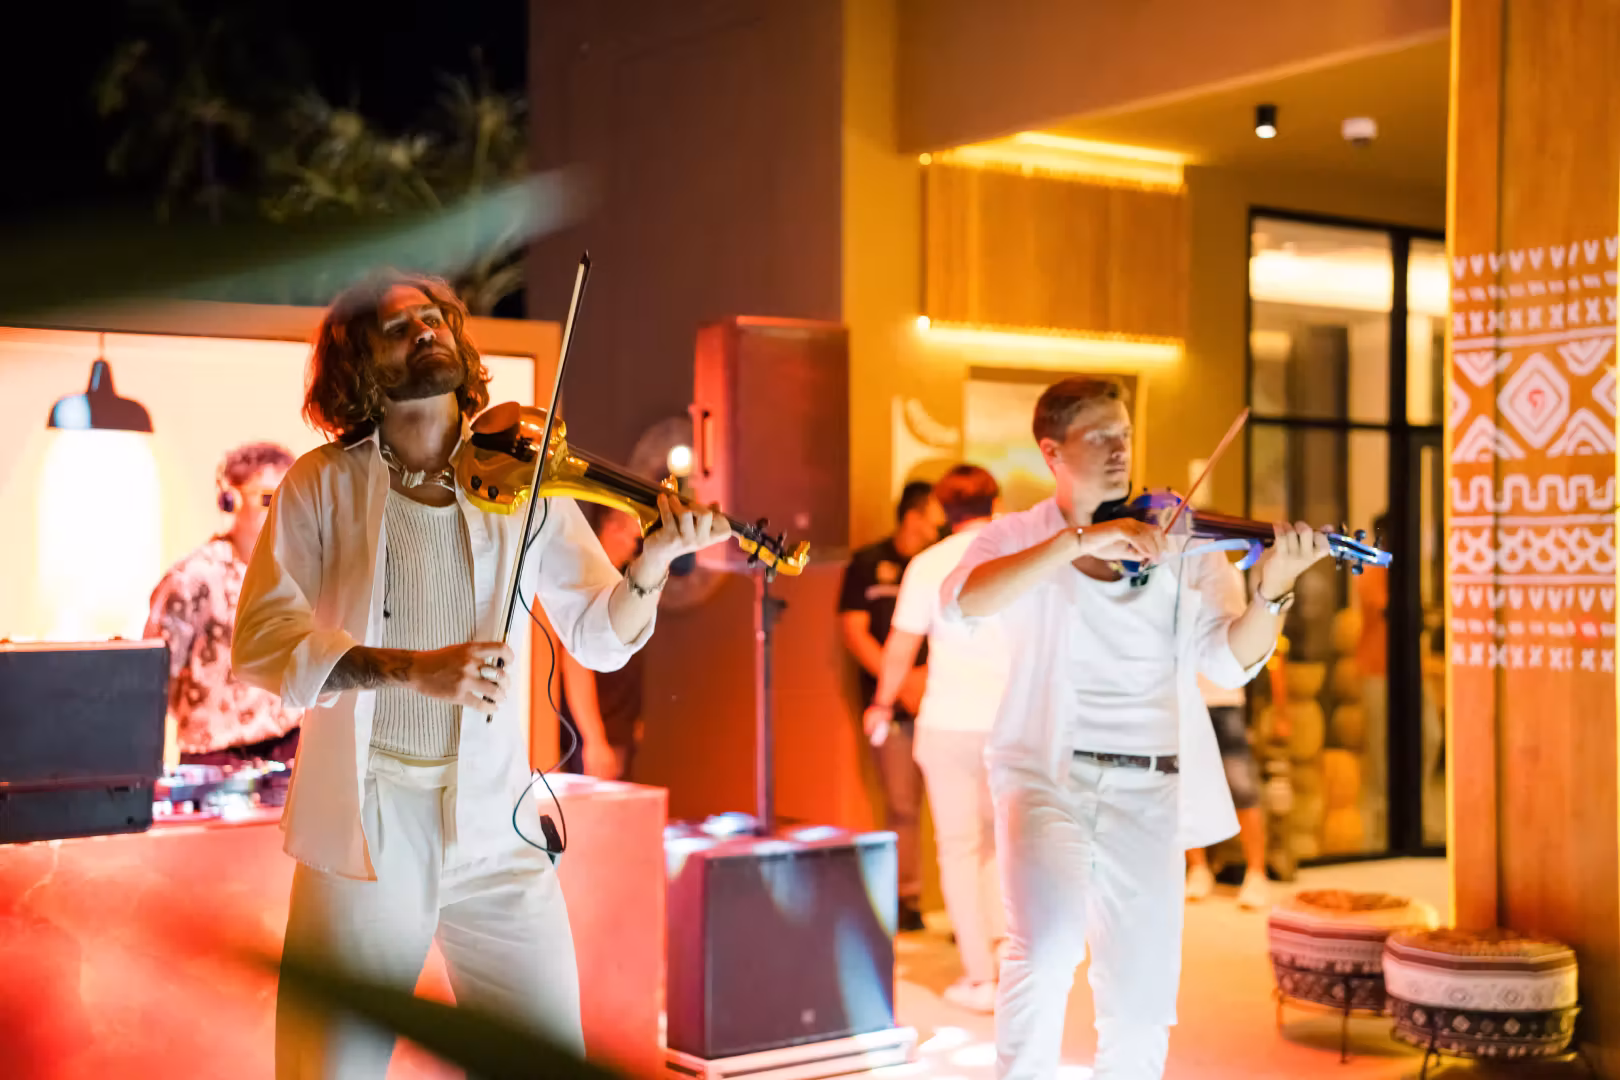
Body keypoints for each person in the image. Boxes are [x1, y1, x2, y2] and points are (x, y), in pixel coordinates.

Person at [232, 271, 729, 1078]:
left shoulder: (524, 482)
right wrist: (409, 671)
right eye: (399, 328)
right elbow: (260, 640)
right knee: (332, 1067)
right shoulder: (319, 484)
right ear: (358, 362)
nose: (426, 331)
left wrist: (655, 557)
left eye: (435, 318)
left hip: (499, 826)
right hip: (371, 822)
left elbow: (599, 636)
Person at [939, 376, 1332, 1080]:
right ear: (1052, 451)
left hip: (1149, 786)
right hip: (1043, 775)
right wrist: (1079, 541)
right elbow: (963, 603)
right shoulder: (1019, 536)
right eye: (1101, 437)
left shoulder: (1181, 536)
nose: (1122, 449)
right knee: (1045, 948)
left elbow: (1228, 660)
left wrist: (1275, 589)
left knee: (1142, 995)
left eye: (1125, 433)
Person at [866, 464, 1009, 1013]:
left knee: (958, 846)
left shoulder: (927, 564)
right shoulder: (1015, 556)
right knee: (1000, 843)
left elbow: (901, 647)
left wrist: (881, 704)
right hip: (1008, 723)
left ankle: (979, 976)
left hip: (947, 721)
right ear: (994, 502)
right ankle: (1002, 959)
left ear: (942, 512)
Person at [144, 442, 302, 766]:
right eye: (269, 499)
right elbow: (152, 679)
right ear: (230, 499)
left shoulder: (302, 571)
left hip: (289, 751)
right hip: (217, 756)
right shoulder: (194, 577)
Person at [838, 480, 945, 931]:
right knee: (902, 805)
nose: (940, 526)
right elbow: (854, 632)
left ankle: (966, 910)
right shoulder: (867, 563)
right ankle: (906, 898)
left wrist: (928, 679)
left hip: (942, 701)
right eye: (935, 515)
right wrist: (897, 685)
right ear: (914, 514)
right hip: (894, 707)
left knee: (953, 806)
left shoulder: (940, 564)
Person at [558, 504, 648, 780]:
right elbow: (574, 663)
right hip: (599, 734)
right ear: (612, 526)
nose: (635, 546)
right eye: (632, 536)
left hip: (616, 731)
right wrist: (595, 740)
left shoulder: (616, 581)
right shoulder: (589, 578)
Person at [1184, 667, 1270, 910]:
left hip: (1227, 699)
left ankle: (1256, 874)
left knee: (1241, 787)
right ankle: (1198, 869)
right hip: (1184, 700)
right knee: (1188, 789)